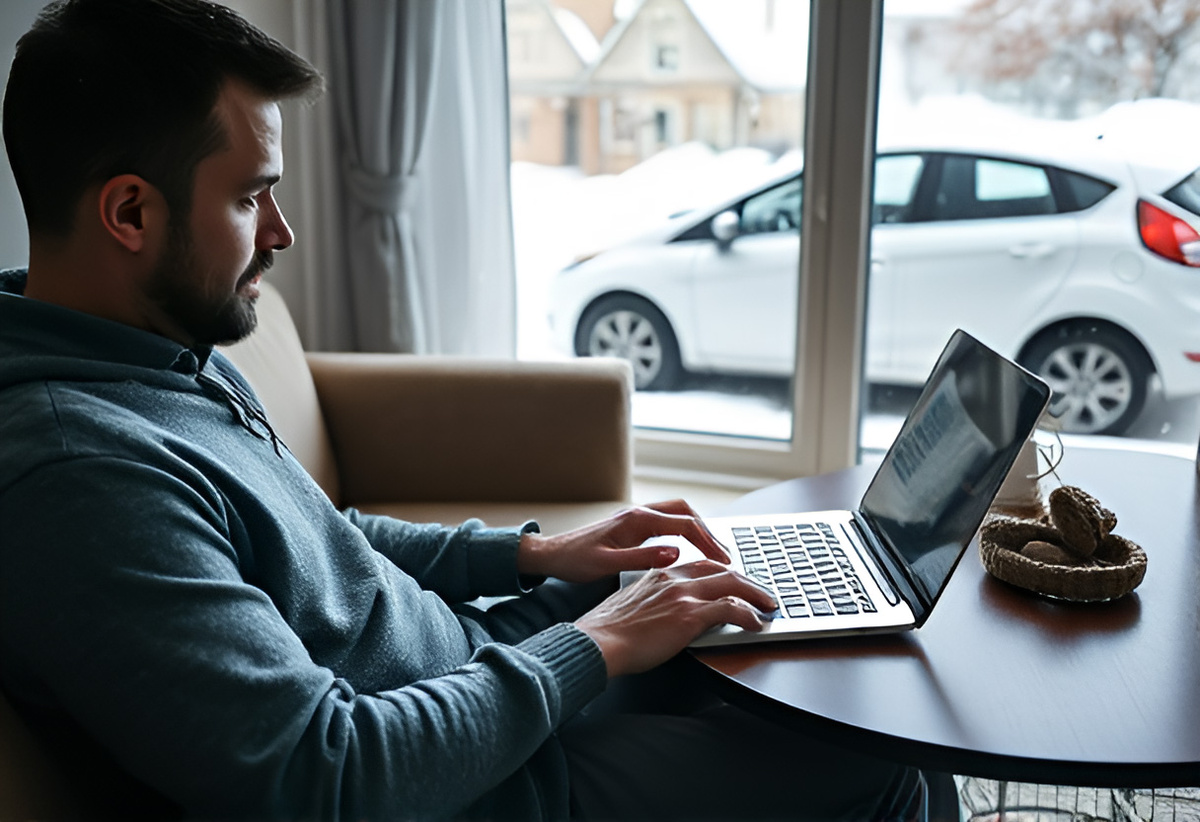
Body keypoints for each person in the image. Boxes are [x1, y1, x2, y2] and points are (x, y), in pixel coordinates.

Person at [0, 1, 931, 819]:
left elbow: (315, 535)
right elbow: (324, 777)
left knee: (742, 600)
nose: (281, 232)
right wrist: (597, 644)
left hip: (480, 671)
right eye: (251, 197)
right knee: (889, 768)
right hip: (484, 786)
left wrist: (533, 555)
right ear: (129, 213)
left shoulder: (154, 350)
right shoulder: (84, 476)